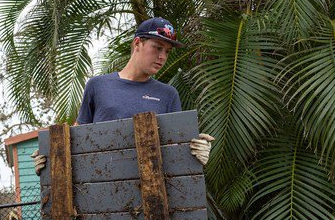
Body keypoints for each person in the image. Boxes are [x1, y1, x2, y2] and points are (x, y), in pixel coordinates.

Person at [31, 17, 213, 174]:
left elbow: (175, 147)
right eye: (157, 48)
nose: (162, 57)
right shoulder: (97, 86)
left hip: (152, 192)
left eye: (167, 51)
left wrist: (195, 151)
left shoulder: (168, 94)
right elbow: (78, 137)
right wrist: (51, 155)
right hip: (101, 189)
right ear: (137, 44)